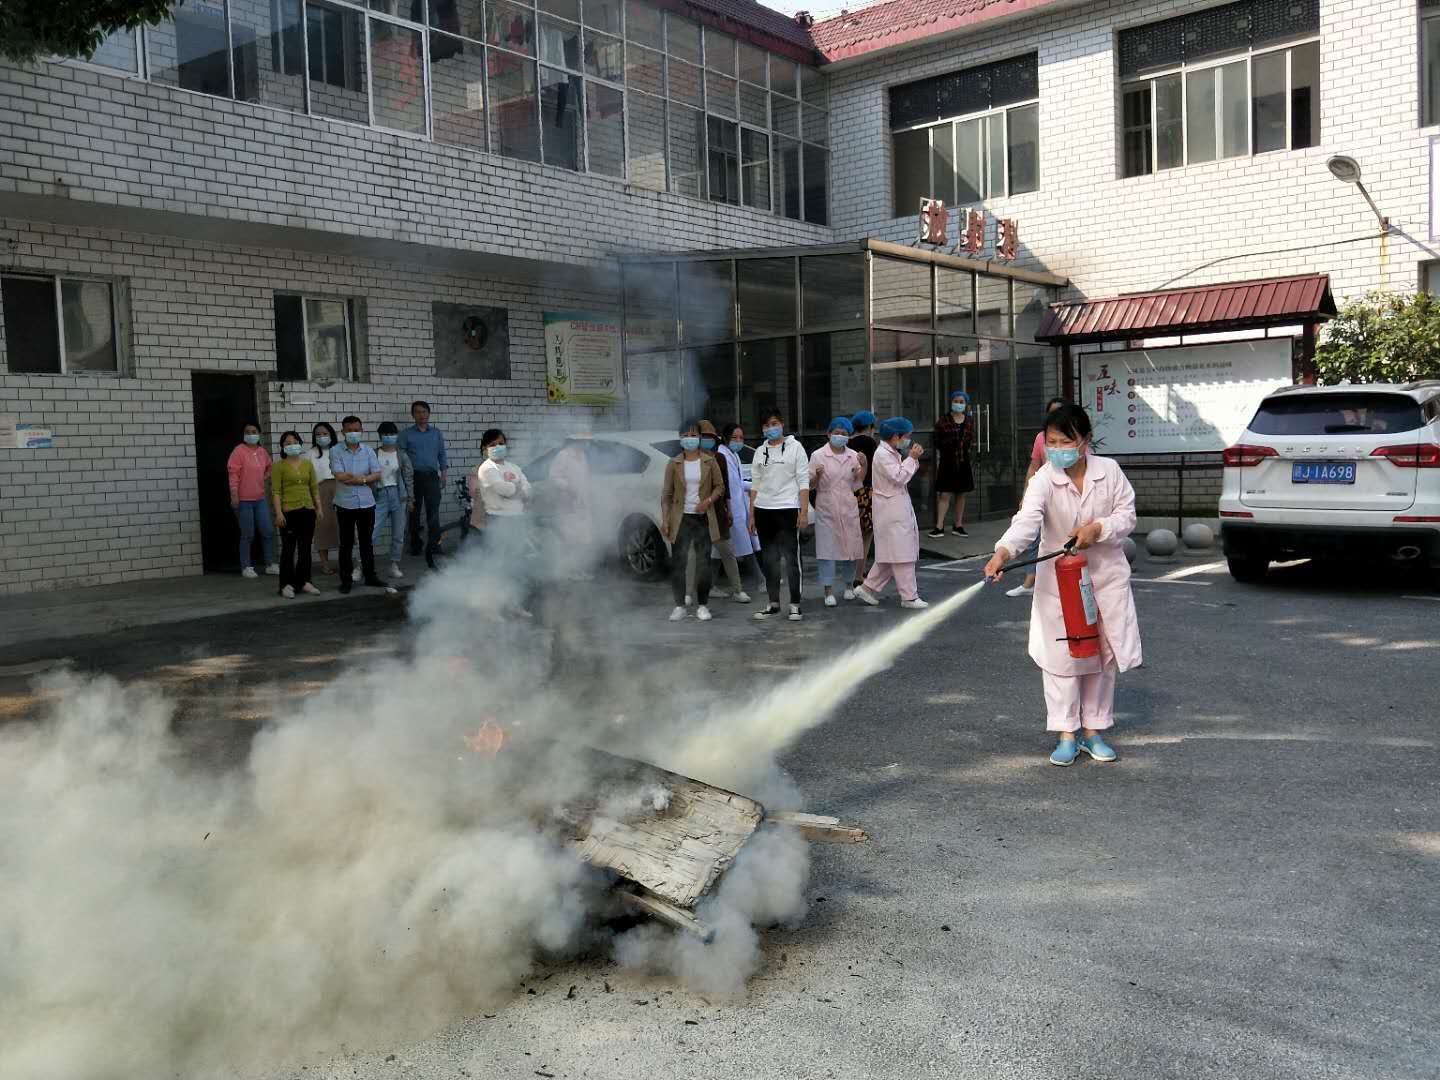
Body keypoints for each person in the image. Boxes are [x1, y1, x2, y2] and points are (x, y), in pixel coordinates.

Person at [983, 403, 1141, 767]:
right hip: (1061, 582)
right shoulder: (1044, 479)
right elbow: (1026, 521)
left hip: (1104, 578)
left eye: (1065, 441)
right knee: (1062, 658)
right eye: (1051, 442)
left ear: (1084, 440)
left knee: (1101, 655)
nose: (1058, 449)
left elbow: (1126, 515)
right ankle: (1066, 734)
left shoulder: (1110, 472)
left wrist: (1097, 529)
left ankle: (1094, 731)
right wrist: (1003, 552)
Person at [853, 417, 928, 610]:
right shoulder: (883, 455)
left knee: (889, 555)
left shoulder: (890, 452)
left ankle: (867, 588)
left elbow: (902, 473)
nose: (908, 441)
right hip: (891, 510)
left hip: (893, 508)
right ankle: (909, 597)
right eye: (906, 437)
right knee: (903, 555)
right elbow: (900, 476)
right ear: (896, 436)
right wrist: (912, 458)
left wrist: (911, 460)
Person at [748, 408, 810, 622]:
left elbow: (804, 481)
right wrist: (751, 515)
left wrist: (803, 512)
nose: (770, 428)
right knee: (769, 559)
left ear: (782, 423)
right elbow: (755, 485)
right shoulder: (759, 451)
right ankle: (773, 603)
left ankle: (795, 604)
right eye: (766, 425)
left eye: (774, 423)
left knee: (792, 559)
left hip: (788, 510)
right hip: (764, 510)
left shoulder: (796, 448)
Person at [661, 420, 725, 622]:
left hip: (703, 518)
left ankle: (703, 606)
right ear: (680, 439)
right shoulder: (674, 463)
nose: (690, 439)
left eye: (693, 435)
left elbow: (720, 487)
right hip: (681, 518)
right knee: (678, 563)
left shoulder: (709, 461)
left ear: (699, 437)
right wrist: (665, 520)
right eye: (686, 435)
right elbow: (666, 494)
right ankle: (680, 606)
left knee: (703, 563)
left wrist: (708, 501)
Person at [1009, 397, 1070, 598]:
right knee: (1034, 537)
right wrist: (1027, 494)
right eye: (1052, 412)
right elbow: (1034, 466)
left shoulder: (1077, 439)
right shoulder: (1040, 438)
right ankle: (1029, 583)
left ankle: (1064, 582)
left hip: (1068, 496)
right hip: (1044, 492)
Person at [330, 415, 394, 595]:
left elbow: (377, 474)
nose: (353, 433)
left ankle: (370, 576)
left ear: (362, 430)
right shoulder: (336, 451)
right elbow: (339, 475)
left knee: (367, 542)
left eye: (356, 430)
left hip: (367, 503)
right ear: (343, 432)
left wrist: (361, 479)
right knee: (346, 543)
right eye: (349, 430)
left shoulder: (368, 451)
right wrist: (363, 478)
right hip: (345, 504)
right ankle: (346, 580)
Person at [809, 417, 866, 607]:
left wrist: (864, 465)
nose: (840, 436)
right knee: (827, 550)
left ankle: (849, 586)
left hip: (848, 504)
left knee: (850, 548)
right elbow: (809, 485)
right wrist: (816, 475)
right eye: (837, 432)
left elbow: (858, 482)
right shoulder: (818, 455)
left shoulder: (853, 455)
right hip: (826, 504)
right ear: (828, 433)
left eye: (844, 433)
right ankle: (828, 591)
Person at [695, 420, 749, 603]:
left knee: (727, 551)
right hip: (697, 514)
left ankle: (738, 590)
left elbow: (725, 487)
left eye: (711, 437)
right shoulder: (689, 460)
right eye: (704, 437)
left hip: (717, 512)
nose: (708, 440)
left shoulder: (719, 458)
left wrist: (729, 510)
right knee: (698, 555)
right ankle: (691, 593)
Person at [270, 431, 321, 599]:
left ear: (300, 443)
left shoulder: (307, 464)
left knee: (305, 548)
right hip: (288, 512)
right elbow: (276, 491)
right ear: (283, 448)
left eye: (294, 441)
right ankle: (285, 584)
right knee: (288, 549)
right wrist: (278, 513)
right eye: (287, 443)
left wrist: (318, 508)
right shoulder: (279, 466)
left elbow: (314, 487)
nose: (291, 445)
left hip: (307, 510)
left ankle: (304, 581)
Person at [399, 400, 448, 568]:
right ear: (413, 415)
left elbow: (442, 454)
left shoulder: (436, 433)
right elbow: (400, 458)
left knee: (433, 512)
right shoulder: (406, 435)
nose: (422, 415)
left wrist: (444, 474)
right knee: (414, 512)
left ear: (429, 413)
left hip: (432, 476)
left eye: (424, 412)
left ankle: (435, 544)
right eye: (418, 412)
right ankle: (415, 545)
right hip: (413, 478)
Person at [228, 421, 278, 579]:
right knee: (247, 534)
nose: (251, 434)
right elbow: (233, 473)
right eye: (248, 431)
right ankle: (246, 566)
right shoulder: (238, 451)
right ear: (244, 435)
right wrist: (234, 494)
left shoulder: (262, 452)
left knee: (268, 531)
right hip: (243, 500)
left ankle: (270, 564)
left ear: (259, 433)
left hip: (260, 498)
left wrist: (264, 477)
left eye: (254, 431)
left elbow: (270, 466)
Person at [476, 428, 533, 564]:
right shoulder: (487, 468)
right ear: (485, 448)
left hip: (517, 518)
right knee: (499, 560)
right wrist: (518, 489)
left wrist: (516, 491)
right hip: (498, 519)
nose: (498, 447)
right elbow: (504, 490)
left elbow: (529, 489)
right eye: (493, 445)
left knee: (516, 558)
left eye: (501, 443)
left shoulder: (514, 467)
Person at [716, 422, 757, 601]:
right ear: (725, 438)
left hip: (736, 508)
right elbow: (727, 486)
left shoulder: (733, 455)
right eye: (734, 437)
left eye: (741, 438)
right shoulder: (721, 455)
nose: (739, 441)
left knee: (719, 553)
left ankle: (709, 586)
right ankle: (760, 580)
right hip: (729, 510)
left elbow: (737, 483)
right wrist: (730, 509)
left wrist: (753, 485)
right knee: (742, 547)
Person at [929, 389, 976, 538]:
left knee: (961, 494)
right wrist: (947, 448)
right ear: (951, 402)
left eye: (962, 402)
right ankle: (939, 526)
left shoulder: (969, 421)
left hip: (963, 461)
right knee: (945, 493)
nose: (958, 404)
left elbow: (970, 440)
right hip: (947, 461)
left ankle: (958, 525)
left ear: (966, 404)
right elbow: (936, 439)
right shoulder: (943, 420)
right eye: (956, 401)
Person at [371, 421, 415, 581]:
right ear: (380, 436)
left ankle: (394, 565)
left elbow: (408, 477)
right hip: (380, 495)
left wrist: (411, 499)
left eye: (392, 434)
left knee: (398, 534)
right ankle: (361, 565)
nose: (389, 437)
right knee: (371, 532)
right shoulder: (374, 453)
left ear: (396, 435)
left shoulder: (401, 454)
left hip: (398, 495)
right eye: (385, 434)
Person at [549, 429, 595, 577]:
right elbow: (554, 477)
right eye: (584, 440)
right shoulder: (564, 455)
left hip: (581, 503)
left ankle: (580, 569)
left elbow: (584, 478)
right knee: (570, 539)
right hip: (568, 503)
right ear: (576, 440)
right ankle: (568, 570)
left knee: (583, 539)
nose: (587, 443)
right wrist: (568, 488)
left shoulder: (582, 456)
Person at [848, 411, 879, 592]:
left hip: (850, 492)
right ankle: (859, 574)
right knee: (866, 534)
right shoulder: (869, 443)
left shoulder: (848, 442)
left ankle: (854, 572)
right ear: (869, 427)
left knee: (853, 534)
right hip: (866, 491)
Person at [310, 422, 339, 575]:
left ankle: (345, 561)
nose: (321, 437)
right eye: (318, 434)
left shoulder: (339, 450)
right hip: (320, 492)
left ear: (331, 435)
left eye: (325, 434)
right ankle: (325, 564)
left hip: (340, 490)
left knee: (342, 527)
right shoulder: (310, 454)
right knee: (322, 527)